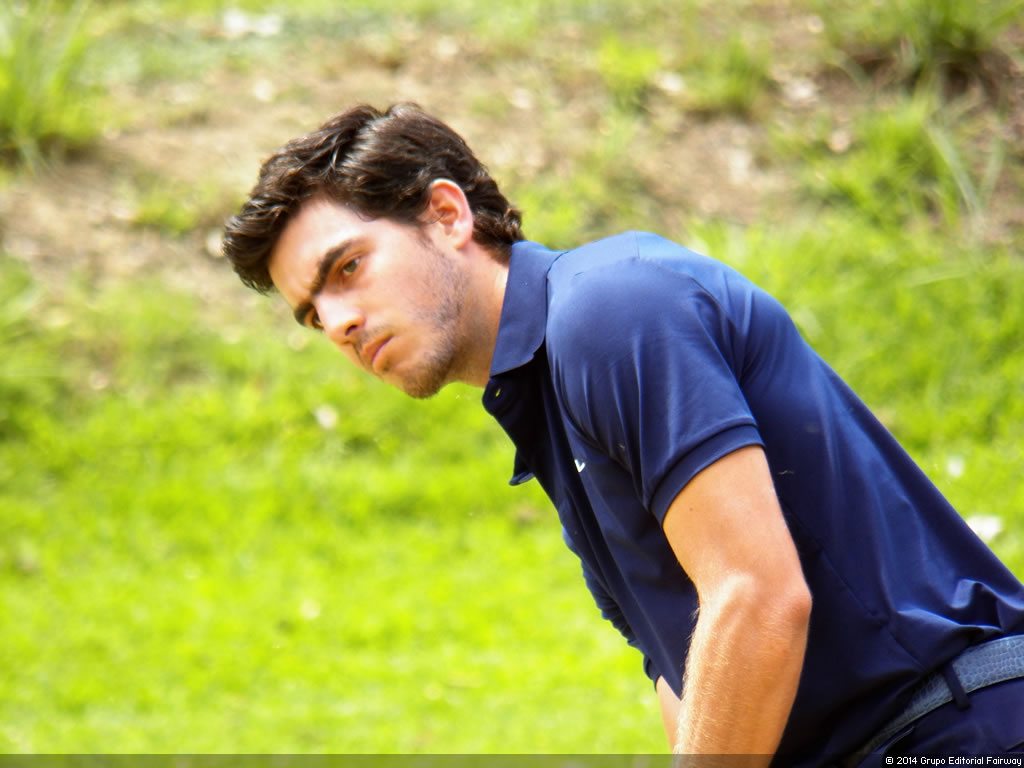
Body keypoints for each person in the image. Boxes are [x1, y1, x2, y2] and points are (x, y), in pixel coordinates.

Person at [222, 103, 1024, 765]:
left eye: (347, 268)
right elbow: (686, 678)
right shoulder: (546, 403)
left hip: (957, 731)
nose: (338, 322)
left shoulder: (609, 310)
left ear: (446, 215)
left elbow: (757, 596)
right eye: (312, 314)